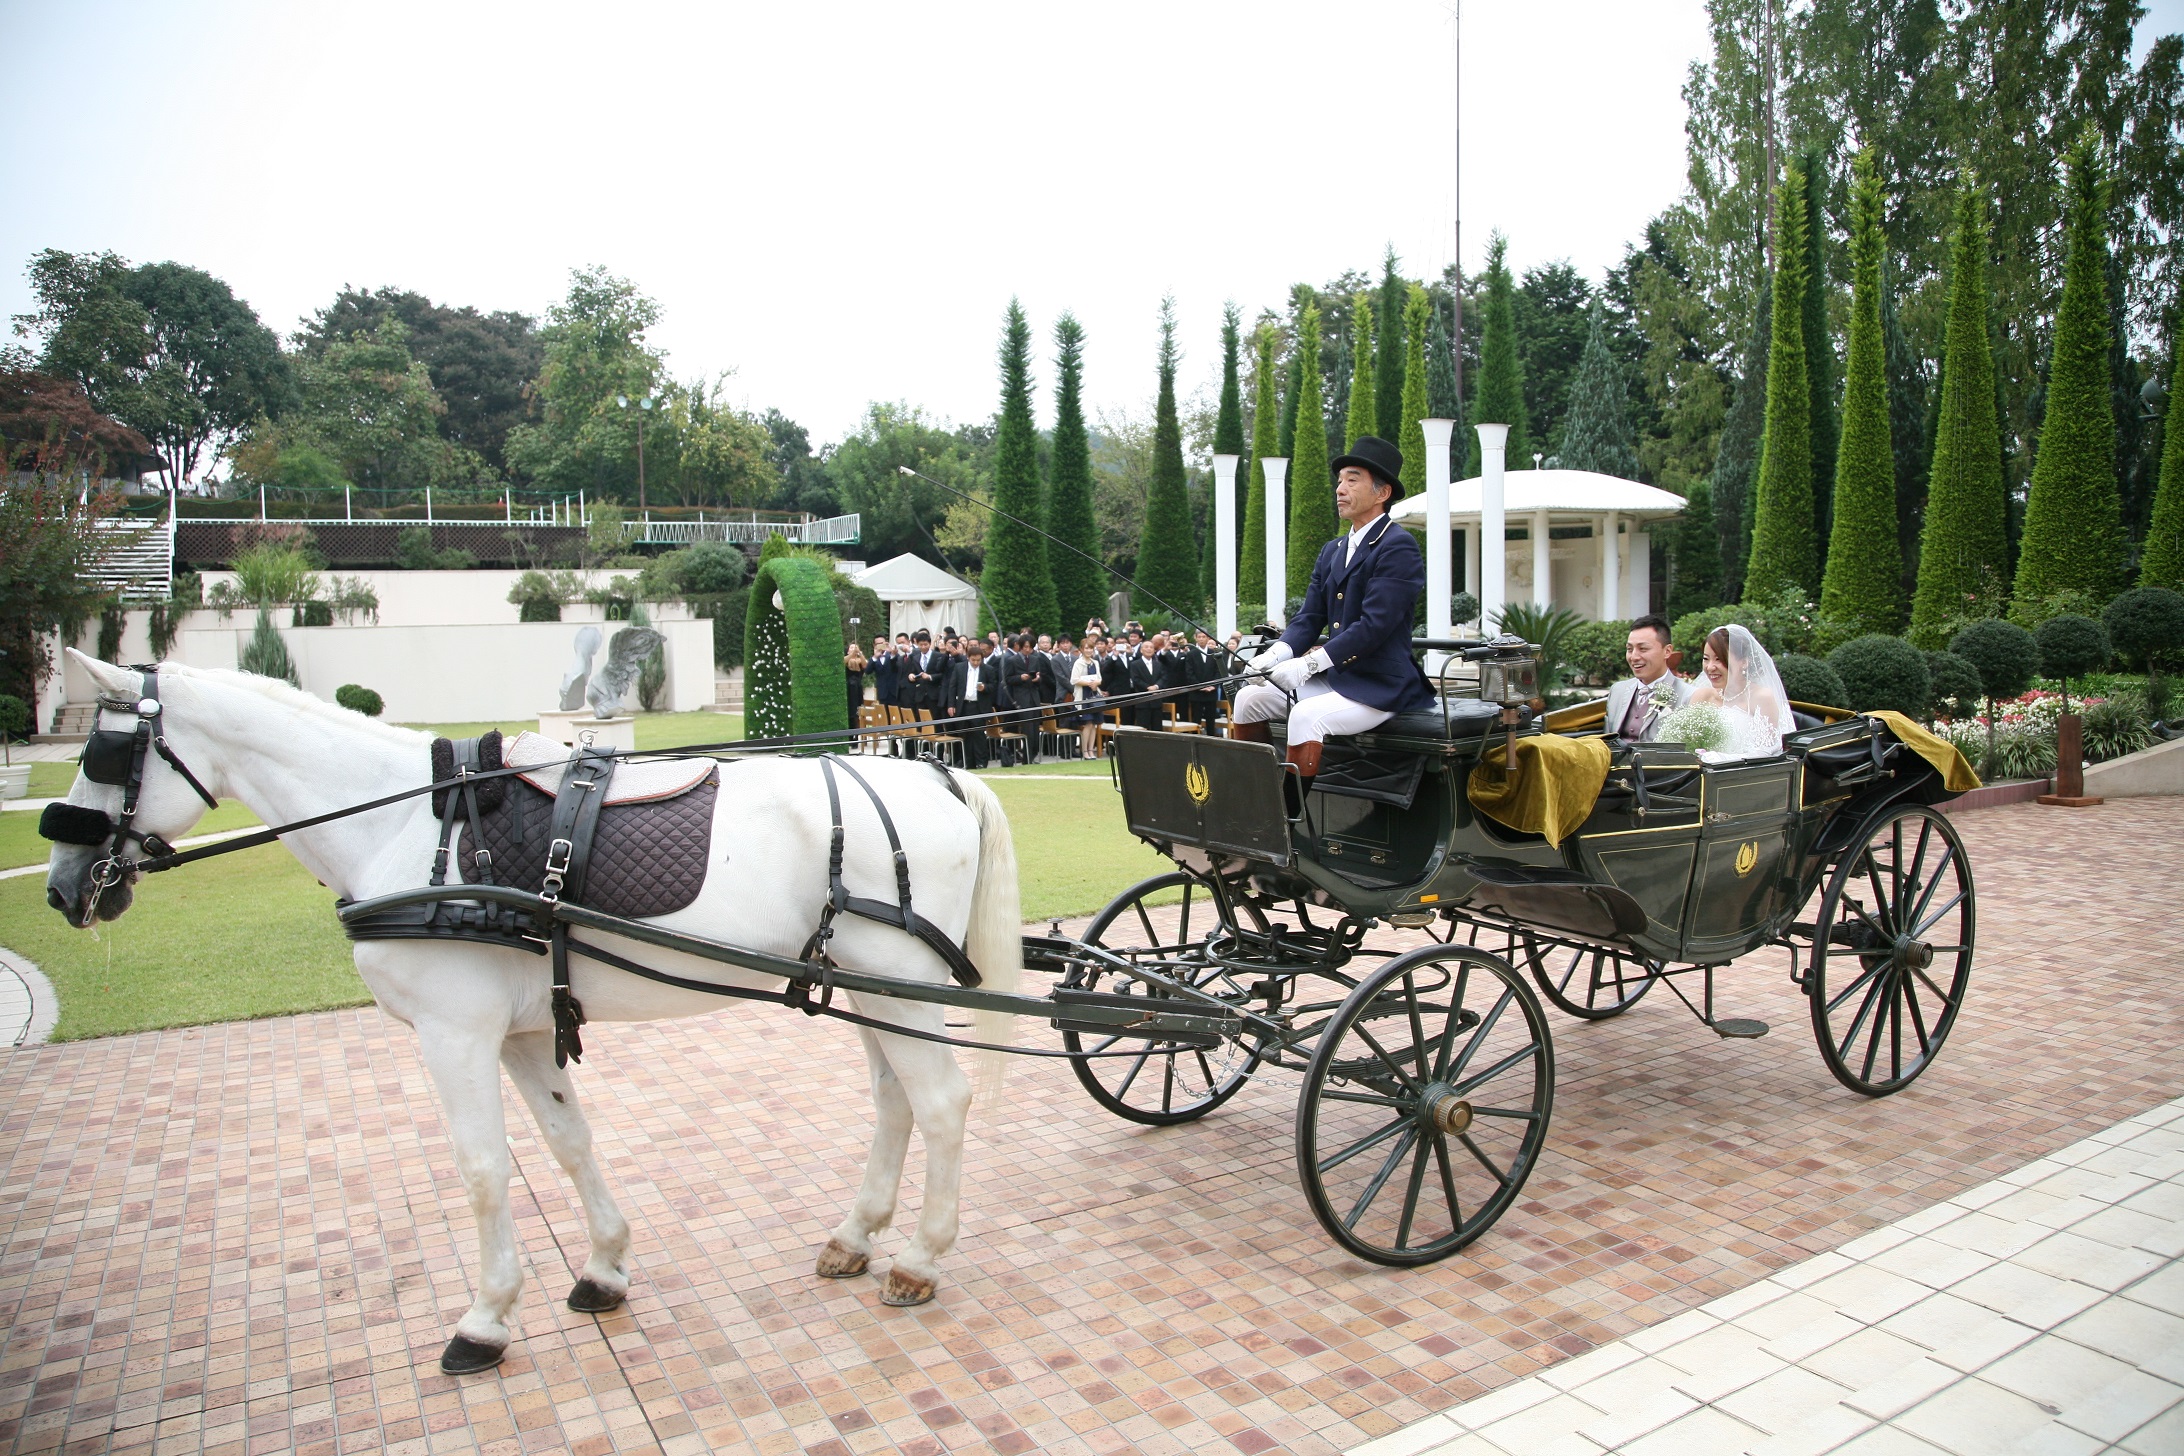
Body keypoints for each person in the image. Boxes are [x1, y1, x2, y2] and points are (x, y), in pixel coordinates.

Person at [1230, 435, 1431, 785]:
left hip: (1380, 685)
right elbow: (1309, 617)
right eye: (1339, 481)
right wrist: (1276, 653)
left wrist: (1309, 664)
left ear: (1382, 493)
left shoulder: (1398, 546)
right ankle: (1253, 800)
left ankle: (1285, 821)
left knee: (1307, 715)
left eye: (1352, 480)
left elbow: (1375, 626)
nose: (1340, 489)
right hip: (1338, 680)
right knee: (1249, 698)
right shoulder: (1333, 549)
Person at [1686, 623, 1794, 760]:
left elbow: (1766, 752)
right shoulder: (1701, 696)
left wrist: (1721, 759)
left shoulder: (1761, 697)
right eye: (1706, 659)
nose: (1710, 667)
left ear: (1744, 662)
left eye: (1719, 659)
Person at [1602, 615, 1691, 741]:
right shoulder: (1617, 690)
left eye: (1643, 649)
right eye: (1629, 649)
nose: (1634, 657)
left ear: (1667, 651)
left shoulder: (1687, 696)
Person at [944, 637, 1003, 768]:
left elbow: (993, 686)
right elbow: (952, 687)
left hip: (979, 706)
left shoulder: (988, 669)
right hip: (964, 705)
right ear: (968, 658)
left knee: (979, 735)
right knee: (965, 734)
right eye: (973, 660)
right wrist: (951, 704)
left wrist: (985, 688)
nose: (976, 662)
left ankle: (981, 762)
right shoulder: (960, 668)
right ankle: (968, 762)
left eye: (978, 660)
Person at [1067, 638, 1106, 758]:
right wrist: (1088, 683)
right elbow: (1074, 680)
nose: (1089, 650)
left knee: (1094, 723)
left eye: (1090, 648)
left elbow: (1099, 678)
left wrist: (1096, 683)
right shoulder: (1078, 663)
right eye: (1086, 648)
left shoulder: (1095, 662)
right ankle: (1084, 751)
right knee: (1087, 723)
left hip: (1094, 696)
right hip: (1082, 696)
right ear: (1082, 649)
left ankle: (1091, 750)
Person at [899, 630, 946, 716]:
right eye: (921, 645)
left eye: (926, 645)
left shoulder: (938, 656)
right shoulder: (915, 657)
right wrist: (911, 676)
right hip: (920, 695)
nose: (923, 647)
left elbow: (943, 674)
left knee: (935, 721)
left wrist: (930, 677)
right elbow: (912, 671)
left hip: (934, 695)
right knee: (922, 721)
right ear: (917, 644)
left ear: (930, 643)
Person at [843, 643, 868, 723]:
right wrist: (852, 654)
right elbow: (843, 661)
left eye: (855, 647)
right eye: (851, 647)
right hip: (848, 687)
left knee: (857, 710)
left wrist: (859, 654)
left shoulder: (860, 660)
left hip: (857, 688)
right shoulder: (846, 660)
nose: (853, 649)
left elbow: (865, 665)